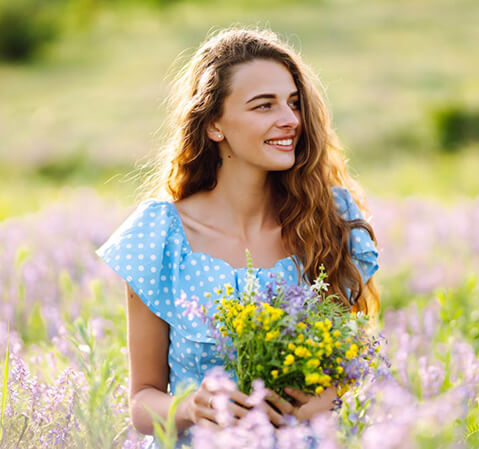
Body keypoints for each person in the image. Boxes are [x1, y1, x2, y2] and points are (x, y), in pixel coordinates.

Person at [96, 27, 379, 447]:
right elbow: (142, 402)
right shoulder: (160, 235)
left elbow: (353, 363)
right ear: (214, 124)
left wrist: (329, 399)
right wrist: (193, 407)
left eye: (294, 103)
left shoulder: (329, 221)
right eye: (264, 105)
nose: (290, 120)